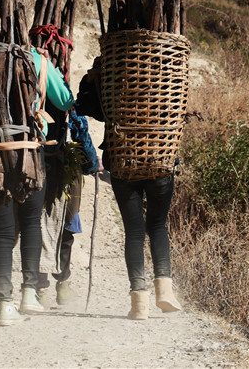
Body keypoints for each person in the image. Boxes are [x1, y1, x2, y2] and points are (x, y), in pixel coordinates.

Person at [0, 47, 74, 325]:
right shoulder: (36, 59)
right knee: (32, 223)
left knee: (1, 233)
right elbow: (64, 101)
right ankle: (29, 294)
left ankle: (4, 304)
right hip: (30, 155)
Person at [74, 58, 181, 320]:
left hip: (123, 162)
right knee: (157, 225)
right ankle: (164, 290)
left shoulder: (110, 78)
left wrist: (90, 80)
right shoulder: (167, 76)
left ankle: (139, 303)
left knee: (134, 230)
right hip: (161, 160)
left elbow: (84, 106)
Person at [37, 110, 99, 307]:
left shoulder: (33, 104)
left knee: (38, 229)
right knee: (65, 232)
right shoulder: (68, 107)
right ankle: (62, 285)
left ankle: (40, 288)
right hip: (67, 175)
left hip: (38, 168)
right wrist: (93, 164)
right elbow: (85, 149)